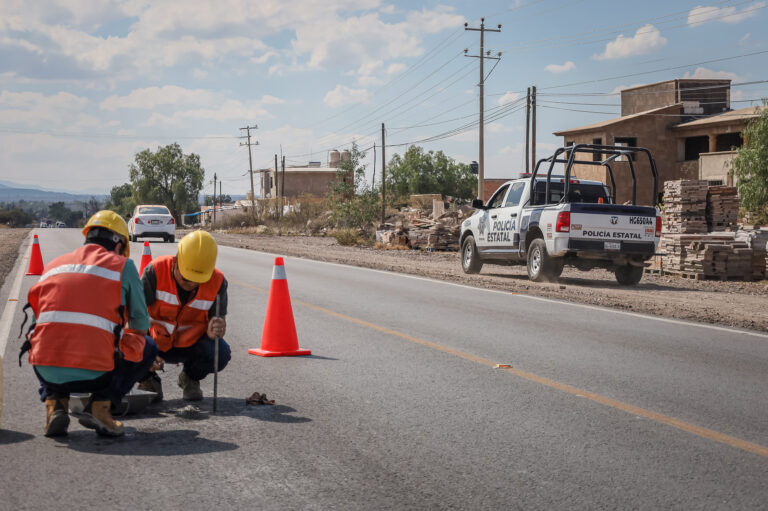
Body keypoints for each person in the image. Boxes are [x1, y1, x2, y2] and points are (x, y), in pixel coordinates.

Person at [23, 210, 159, 437]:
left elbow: (39, 325)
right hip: (97, 374)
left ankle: (55, 404)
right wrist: (117, 339)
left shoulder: (54, 265)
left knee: (48, 339)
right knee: (148, 346)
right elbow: (141, 322)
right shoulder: (123, 267)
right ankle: (101, 407)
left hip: (44, 368)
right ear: (118, 245)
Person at [138, 230, 230, 402]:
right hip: (155, 342)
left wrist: (216, 330)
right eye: (187, 278)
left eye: (199, 279)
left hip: (191, 345)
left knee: (221, 352)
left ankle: (190, 377)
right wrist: (144, 352)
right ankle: (148, 380)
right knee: (127, 343)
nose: (192, 284)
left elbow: (218, 322)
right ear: (176, 261)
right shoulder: (155, 272)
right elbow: (135, 317)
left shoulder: (218, 282)